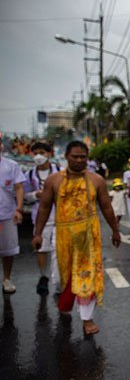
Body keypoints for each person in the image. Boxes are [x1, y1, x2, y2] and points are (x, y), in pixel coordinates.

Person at [32, 140, 121, 335]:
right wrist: (38, 234)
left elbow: (106, 207)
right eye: (75, 157)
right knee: (61, 276)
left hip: (89, 237)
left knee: (87, 276)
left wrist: (115, 230)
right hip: (62, 236)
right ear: (66, 157)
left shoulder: (96, 180)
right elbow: (45, 207)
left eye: (83, 157)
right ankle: (65, 303)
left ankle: (87, 319)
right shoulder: (54, 180)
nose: (80, 160)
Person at [23, 141, 61, 294]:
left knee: (58, 249)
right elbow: (23, 195)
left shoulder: (61, 171)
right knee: (41, 248)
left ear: (49, 154)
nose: (39, 156)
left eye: (42, 153)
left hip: (60, 216)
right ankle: (44, 276)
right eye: (35, 153)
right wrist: (35, 195)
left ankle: (59, 280)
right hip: (40, 216)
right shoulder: (29, 175)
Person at [0, 142, 26, 294]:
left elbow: (19, 188)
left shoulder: (11, 166)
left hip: (7, 215)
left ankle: (7, 279)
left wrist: (19, 209)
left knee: (8, 250)